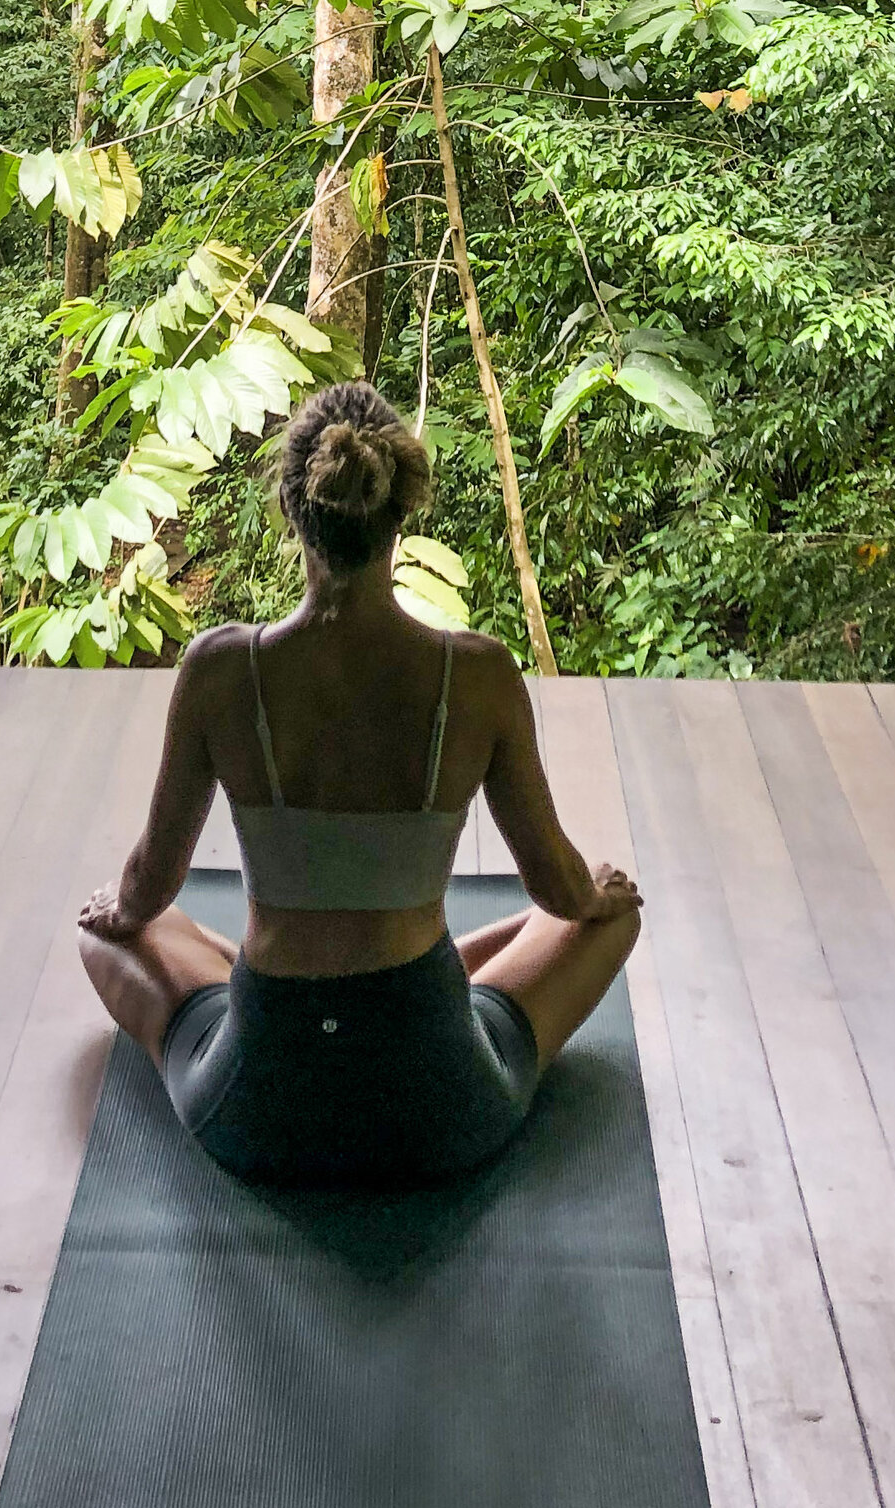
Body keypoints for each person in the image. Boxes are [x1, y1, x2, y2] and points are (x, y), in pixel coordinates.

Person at [76, 378, 644, 1187]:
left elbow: (144, 887)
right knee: (607, 915)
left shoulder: (218, 671)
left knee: (100, 930)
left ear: (292, 508)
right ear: (400, 510)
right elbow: (558, 891)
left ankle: (279, 965)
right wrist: (595, 895)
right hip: (442, 1102)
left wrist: (125, 912)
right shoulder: (475, 675)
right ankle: (444, 962)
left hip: (257, 1104)